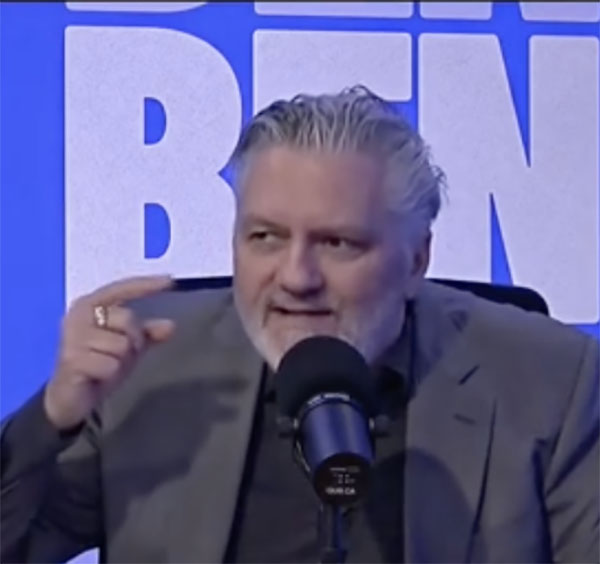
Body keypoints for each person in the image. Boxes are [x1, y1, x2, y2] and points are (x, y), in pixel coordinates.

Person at [1, 86, 598, 564]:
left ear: (417, 260)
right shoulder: (149, 361)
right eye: (266, 237)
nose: (295, 276)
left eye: (337, 243)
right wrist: (52, 417)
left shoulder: (551, 381)